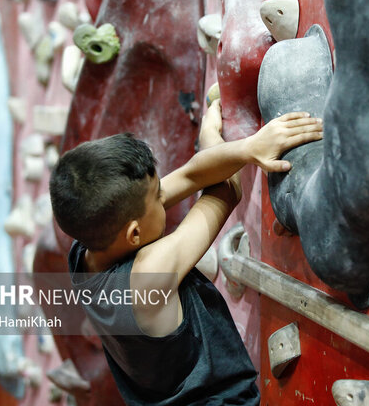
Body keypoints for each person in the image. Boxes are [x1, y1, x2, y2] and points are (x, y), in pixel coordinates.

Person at [50, 99, 322, 405]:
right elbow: (226, 191)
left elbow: (190, 176)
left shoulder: (85, 250)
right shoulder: (149, 277)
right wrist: (222, 143)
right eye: (158, 197)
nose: (165, 195)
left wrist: (245, 148)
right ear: (134, 233)